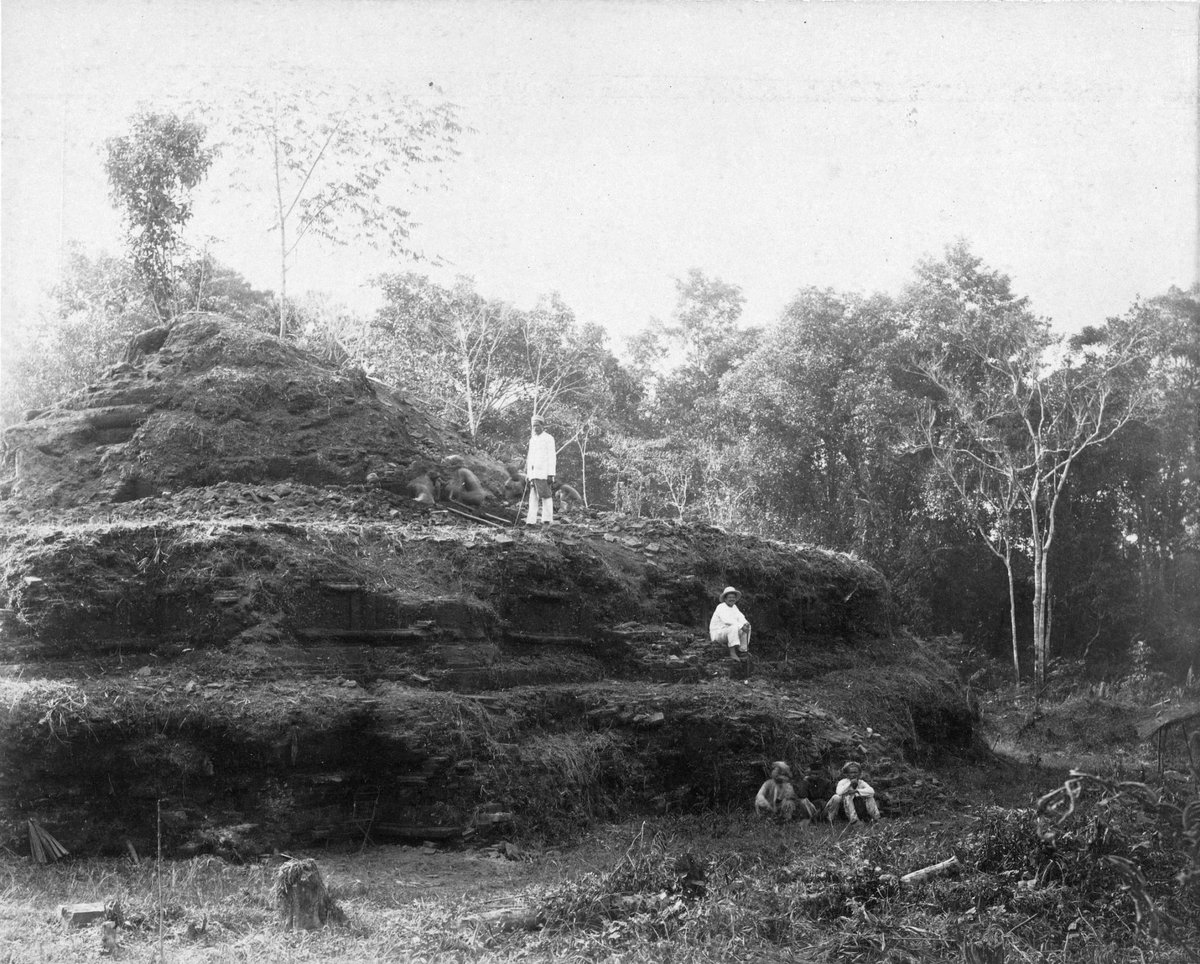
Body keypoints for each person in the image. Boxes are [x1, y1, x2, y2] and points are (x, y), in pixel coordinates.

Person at [524, 414, 556, 525]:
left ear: (542, 426)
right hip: (533, 473)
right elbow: (529, 458)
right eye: (533, 426)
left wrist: (551, 474)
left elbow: (552, 457)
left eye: (537, 426)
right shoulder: (532, 440)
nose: (535, 428)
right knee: (533, 497)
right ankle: (531, 521)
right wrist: (528, 474)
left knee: (546, 496)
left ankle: (547, 519)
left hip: (543, 473)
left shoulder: (548, 438)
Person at [710, 586, 751, 661]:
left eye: (733, 597)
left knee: (747, 626)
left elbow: (741, 617)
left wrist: (745, 624)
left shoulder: (734, 607)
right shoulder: (721, 607)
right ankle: (732, 653)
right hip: (718, 633)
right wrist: (741, 626)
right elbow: (727, 620)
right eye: (729, 597)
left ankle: (742, 650)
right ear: (725, 599)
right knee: (734, 626)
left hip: (728, 631)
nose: (732, 599)